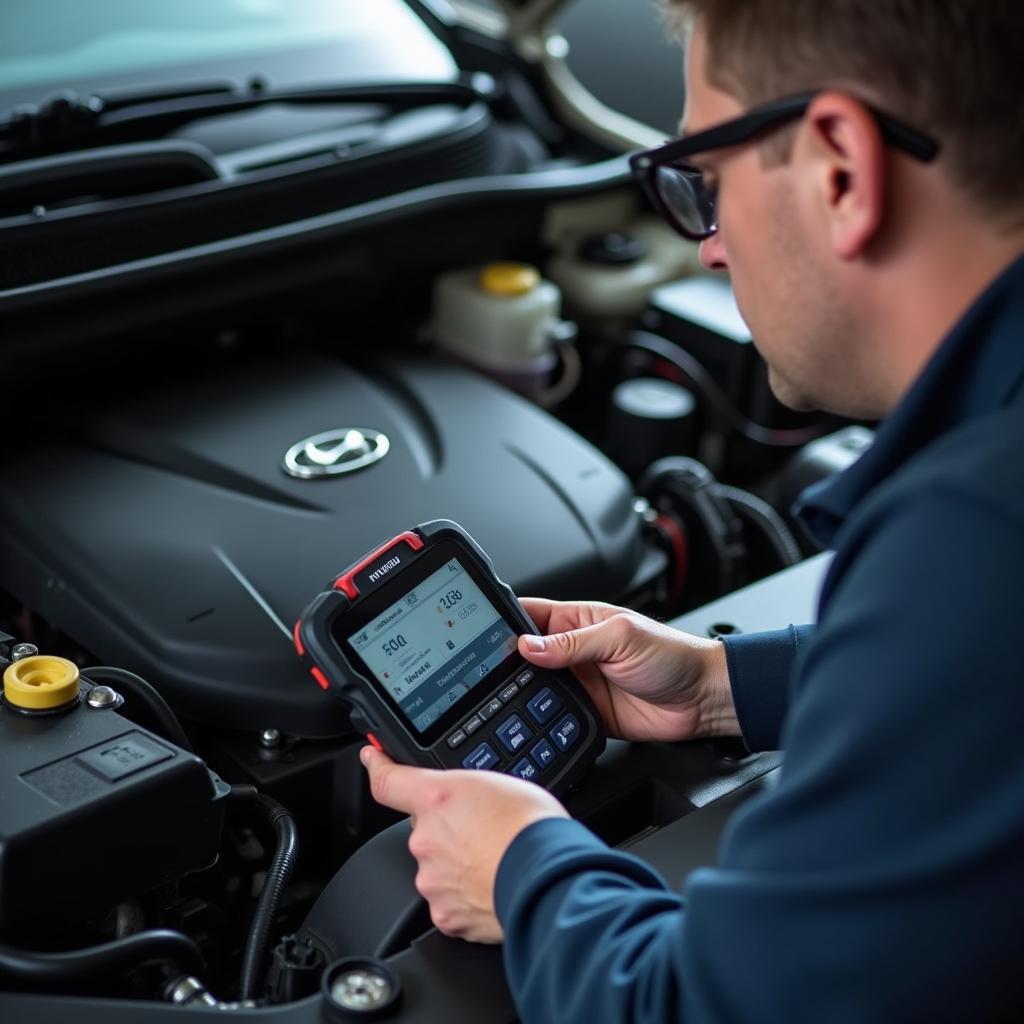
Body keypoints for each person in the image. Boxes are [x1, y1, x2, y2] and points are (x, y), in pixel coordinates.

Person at [361, 0, 1024, 1019]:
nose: (707, 249)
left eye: (703, 184)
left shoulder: (975, 537)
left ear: (838, 167)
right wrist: (722, 684)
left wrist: (524, 872)